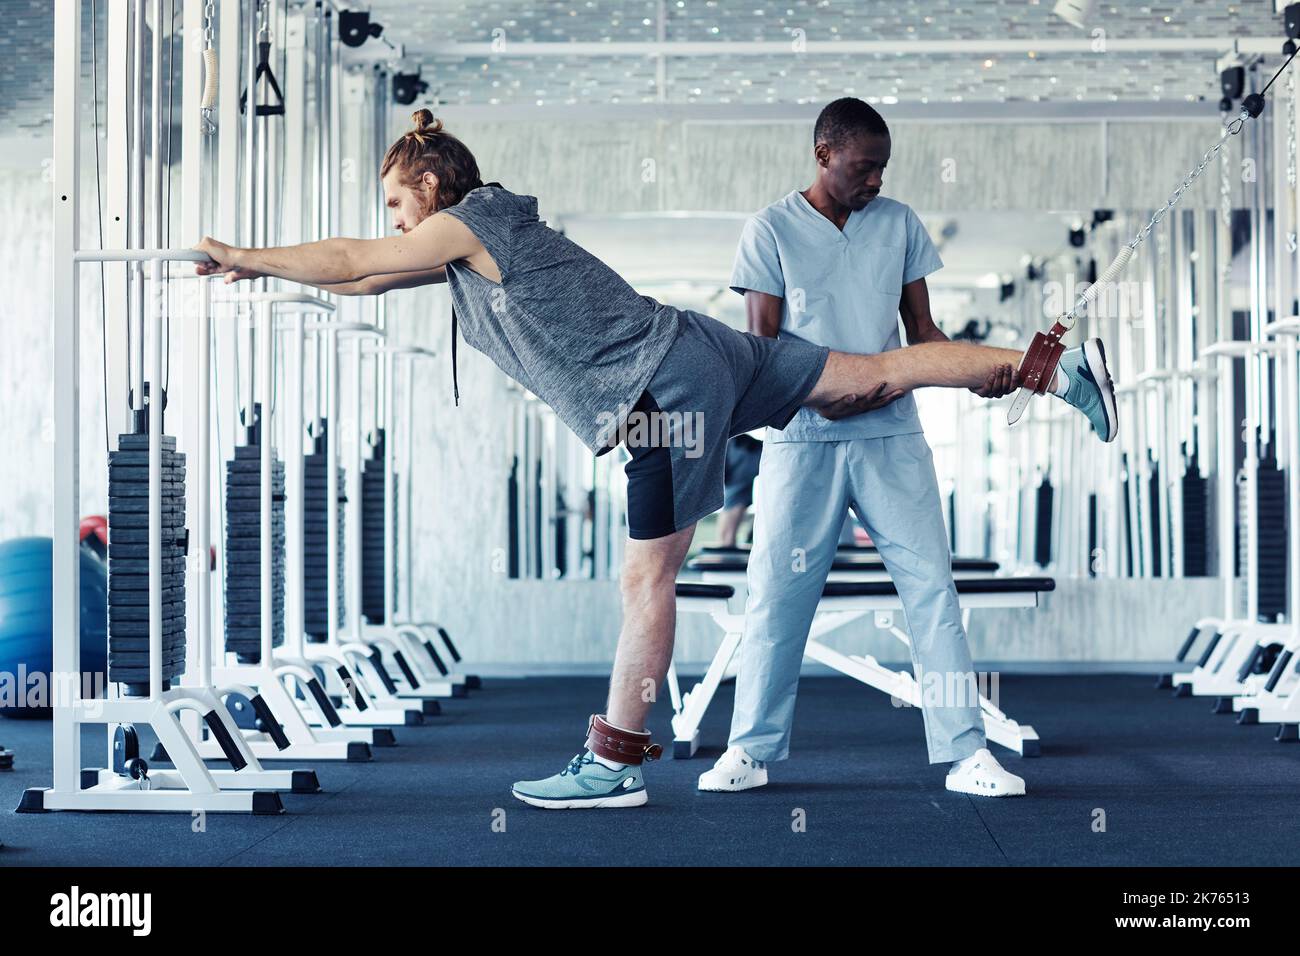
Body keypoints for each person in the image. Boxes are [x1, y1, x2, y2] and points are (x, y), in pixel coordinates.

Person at [195, 108, 1118, 810]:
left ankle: (616, 760)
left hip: (660, 396)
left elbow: (354, 255)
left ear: (430, 188)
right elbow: (364, 270)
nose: (391, 223)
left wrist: (240, 249)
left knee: (648, 580)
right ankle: (1047, 366)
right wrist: (261, 271)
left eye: (396, 203)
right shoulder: (458, 250)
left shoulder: (472, 220)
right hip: (700, 354)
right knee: (870, 374)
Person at [698, 97, 1037, 800]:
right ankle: (749, 750)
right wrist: (819, 394)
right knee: (777, 596)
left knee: (933, 592)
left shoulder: (900, 223)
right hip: (802, 441)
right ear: (824, 155)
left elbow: (923, 333)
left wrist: (977, 376)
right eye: (864, 167)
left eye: (883, 168)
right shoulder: (770, 230)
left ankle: (966, 752)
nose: (876, 180)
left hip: (892, 437)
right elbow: (763, 353)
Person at [715, 434, 763, 549]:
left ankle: (727, 542)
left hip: (740, 448)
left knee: (734, 497)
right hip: (738, 447)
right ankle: (727, 542)